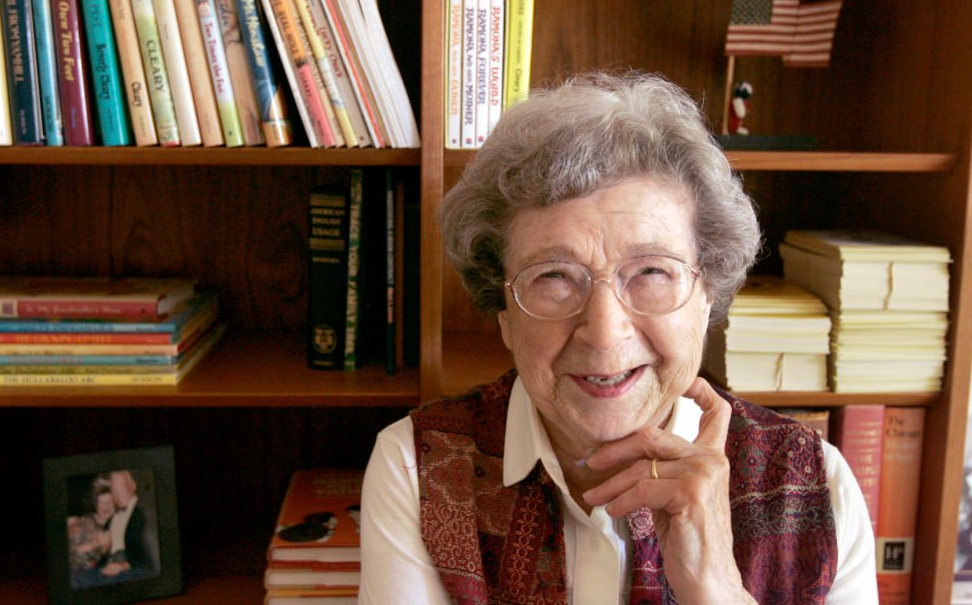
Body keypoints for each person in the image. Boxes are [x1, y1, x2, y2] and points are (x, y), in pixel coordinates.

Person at [359, 71, 876, 603]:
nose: (605, 334)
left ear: (706, 297)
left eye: (652, 272)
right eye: (554, 277)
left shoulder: (817, 489)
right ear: (503, 314)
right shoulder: (419, 470)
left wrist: (717, 588)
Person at [101, 469, 159, 580]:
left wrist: (124, 566)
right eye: (114, 490)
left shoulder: (146, 512)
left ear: (133, 486)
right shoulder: (113, 517)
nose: (117, 494)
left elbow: (151, 554)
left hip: (132, 571)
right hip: (108, 568)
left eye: (121, 487)